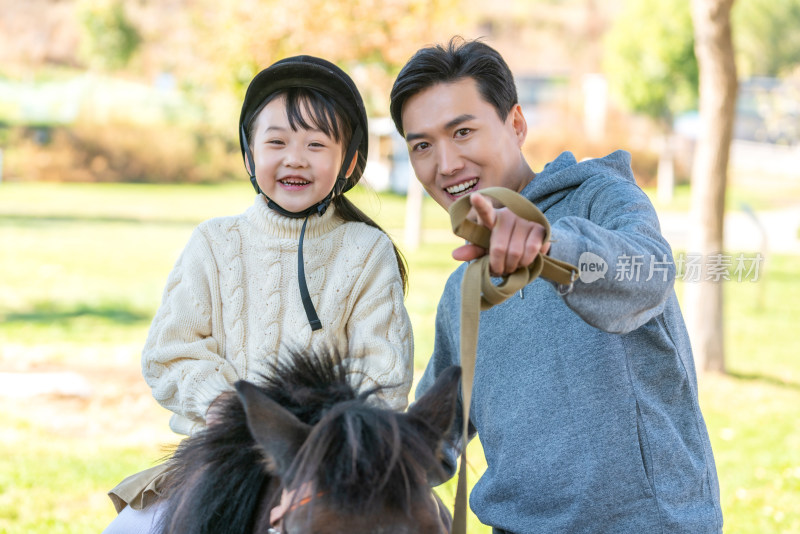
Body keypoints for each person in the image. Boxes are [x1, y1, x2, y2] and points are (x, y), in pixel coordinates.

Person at [390, 37, 722, 533]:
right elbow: (429, 444)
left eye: (462, 131)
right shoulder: (463, 291)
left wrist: (549, 247)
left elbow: (649, 273)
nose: (446, 164)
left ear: (516, 124)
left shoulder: (600, 197)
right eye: (422, 146)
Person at [103, 55, 413, 533]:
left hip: (328, 469)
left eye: (316, 144)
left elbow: (383, 375)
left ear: (349, 161)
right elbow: (171, 351)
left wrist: (310, 446)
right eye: (276, 142)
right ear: (249, 154)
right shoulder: (214, 242)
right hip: (218, 460)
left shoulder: (367, 250)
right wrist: (234, 412)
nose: (295, 158)